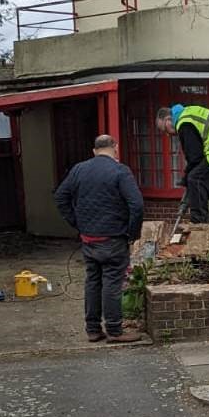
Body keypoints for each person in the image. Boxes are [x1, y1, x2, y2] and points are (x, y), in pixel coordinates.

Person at [54, 134, 144, 343]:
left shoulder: (79, 169)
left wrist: (77, 223)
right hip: (113, 237)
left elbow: (60, 197)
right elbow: (137, 205)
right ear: (115, 148)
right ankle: (114, 330)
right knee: (112, 282)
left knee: (93, 281)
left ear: (94, 151)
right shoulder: (120, 171)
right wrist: (133, 233)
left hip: (89, 237)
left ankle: (93, 329)